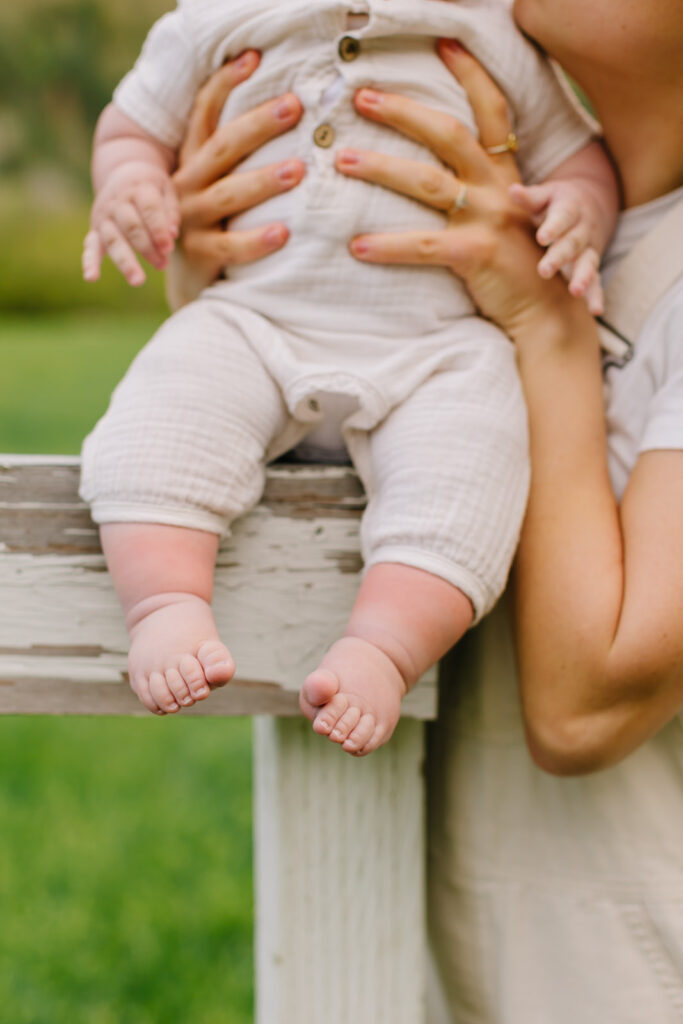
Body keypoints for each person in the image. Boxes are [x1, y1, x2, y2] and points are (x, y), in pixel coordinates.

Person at [157, 0, 683, 1017]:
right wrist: (233, 288)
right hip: (449, 966)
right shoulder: (512, 193)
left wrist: (541, 321)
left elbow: (586, 704)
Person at [78, 0, 618, 757]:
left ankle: (382, 648)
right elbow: (132, 126)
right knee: (166, 412)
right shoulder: (216, 18)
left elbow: (576, 157)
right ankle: (164, 603)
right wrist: (132, 180)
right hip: (254, 320)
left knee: (470, 467)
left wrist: (578, 207)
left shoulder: (486, 28)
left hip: (437, 347)